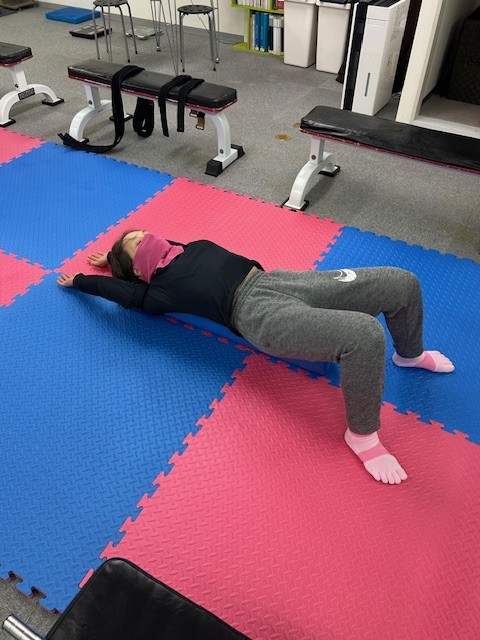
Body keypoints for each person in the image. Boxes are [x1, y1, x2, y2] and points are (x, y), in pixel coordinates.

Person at [57, 230, 454, 485]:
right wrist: (83, 280)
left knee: (401, 282)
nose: (146, 237)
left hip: (279, 280)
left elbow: (157, 246)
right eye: (136, 243)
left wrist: (117, 254)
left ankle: (410, 354)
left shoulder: (189, 248)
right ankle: (362, 434)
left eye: (143, 232)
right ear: (138, 271)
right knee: (364, 335)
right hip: (256, 314)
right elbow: (119, 292)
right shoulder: (154, 292)